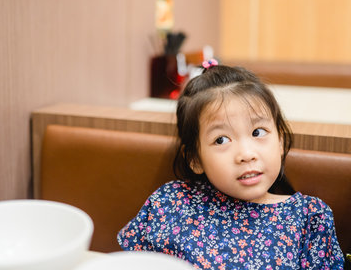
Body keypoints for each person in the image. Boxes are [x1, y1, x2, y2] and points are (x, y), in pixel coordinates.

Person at [117, 61, 344, 269]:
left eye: (258, 132)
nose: (246, 154)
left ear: (281, 142)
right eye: (221, 140)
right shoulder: (170, 202)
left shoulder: (310, 218)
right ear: (195, 159)